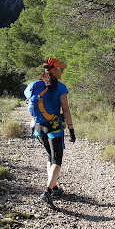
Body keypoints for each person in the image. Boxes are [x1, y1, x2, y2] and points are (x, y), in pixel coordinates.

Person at [26, 58, 75, 209]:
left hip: (39, 127)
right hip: (54, 126)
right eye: (61, 69)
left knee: (50, 156)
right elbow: (65, 110)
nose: (63, 72)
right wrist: (71, 129)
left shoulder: (38, 85)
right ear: (54, 70)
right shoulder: (61, 88)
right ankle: (47, 191)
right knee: (57, 160)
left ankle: (54, 188)